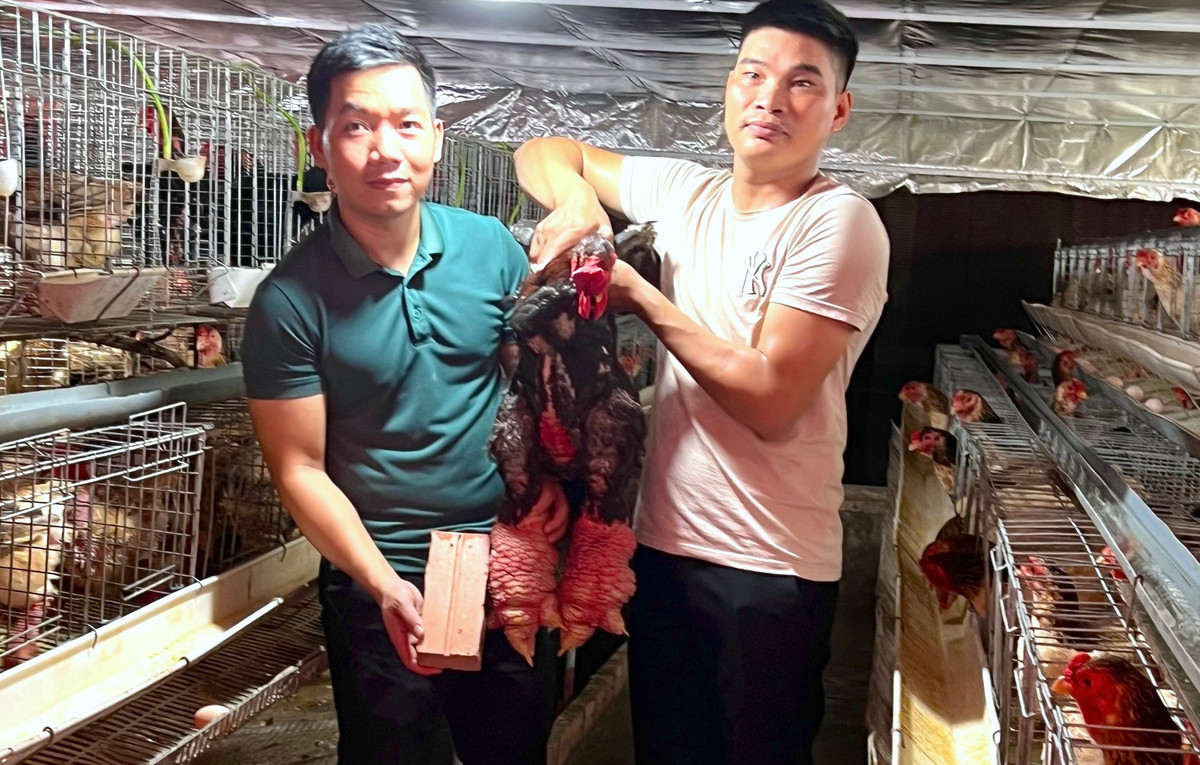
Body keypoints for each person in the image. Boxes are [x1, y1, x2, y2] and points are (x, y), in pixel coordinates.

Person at [513, 1, 890, 763]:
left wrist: (643, 298)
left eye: (802, 83)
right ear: (728, 87)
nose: (770, 98)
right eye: (753, 74)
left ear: (838, 110)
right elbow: (543, 149)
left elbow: (772, 399)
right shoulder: (687, 192)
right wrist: (579, 199)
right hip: (663, 548)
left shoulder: (837, 222)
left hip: (769, 568)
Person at [241, 24, 565, 765]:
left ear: (438, 139)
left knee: (513, 749)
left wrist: (545, 480)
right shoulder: (289, 301)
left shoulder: (492, 248)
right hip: (380, 573)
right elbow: (299, 468)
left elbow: (529, 387)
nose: (386, 150)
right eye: (357, 126)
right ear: (319, 145)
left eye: (407, 125)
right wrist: (383, 584)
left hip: (504, 558)